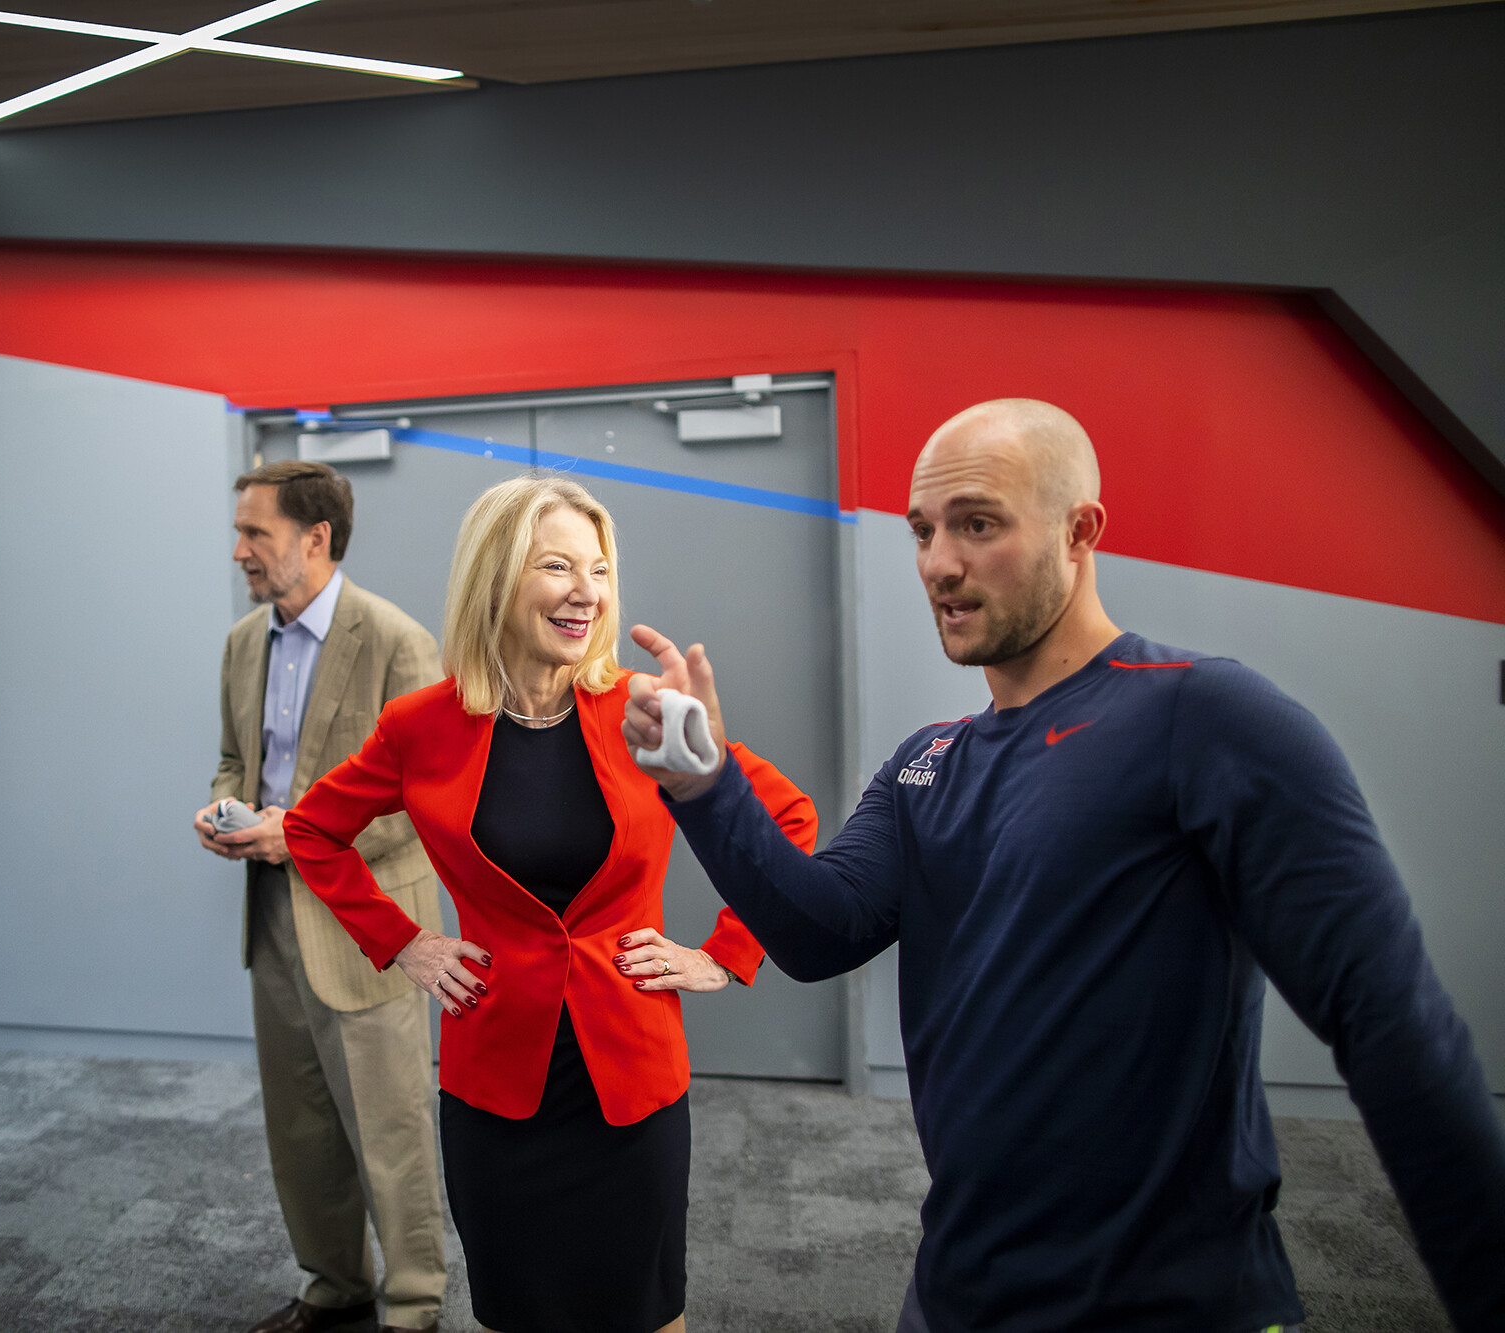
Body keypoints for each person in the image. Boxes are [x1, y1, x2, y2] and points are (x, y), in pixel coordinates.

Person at [622, 398, 1505, 1332]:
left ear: (1080, 531)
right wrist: (707, 784)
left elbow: (1393, 1027)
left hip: (1171, 1306)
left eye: (977, 524)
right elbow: (815, 930)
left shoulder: (1205, 716)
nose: (937, 564)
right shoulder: (929, 762)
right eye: (924, 531)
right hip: (960, 1292)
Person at [285, 475, 818, 1333]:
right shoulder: (420, 727)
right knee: (515, 1309)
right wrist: (404, 943)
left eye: (600, 570)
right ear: (496, 579)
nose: (587, 591)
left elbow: (786, 813)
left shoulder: (642, 711)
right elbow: (313, 829)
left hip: (630, 1078)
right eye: (559, 565)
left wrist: (723, 952)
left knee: (647, 1312)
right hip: (497, 1082)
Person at [194, 459, 448, 1333]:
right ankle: (335, 1286)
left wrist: (293, 828)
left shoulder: (398, 641)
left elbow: (425, 800)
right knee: (301, 1126)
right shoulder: (242, 643)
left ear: (316, 539)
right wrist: (223, 805)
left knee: (389, 1124)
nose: (239, 551)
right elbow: (238, 759)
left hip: (371, 926)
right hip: (273, 920)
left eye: (254, 533)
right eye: (239, 531)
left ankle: (414, 1306)